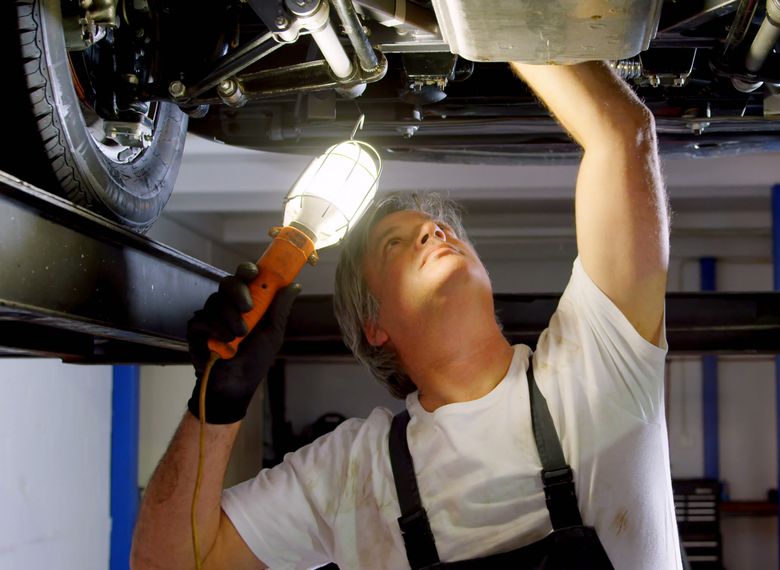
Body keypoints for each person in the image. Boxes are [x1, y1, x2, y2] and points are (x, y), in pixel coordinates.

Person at [131, 61, 677, 569]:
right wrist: (216, 407)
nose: (434, 232)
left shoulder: (596, 365)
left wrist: (497, 23)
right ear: (375, 327)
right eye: (396, 243)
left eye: (444, 230)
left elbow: (622, 135)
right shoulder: (354, 472)